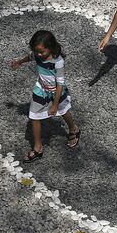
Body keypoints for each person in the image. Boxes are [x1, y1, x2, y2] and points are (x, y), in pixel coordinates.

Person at [11, 30, 80, 162]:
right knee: (34, 117)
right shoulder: (37, 55)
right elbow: (30, 56)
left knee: (63, 111)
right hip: (41, 90)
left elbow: (60, 84)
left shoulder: (58, 61)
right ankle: (38, 148)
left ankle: (73, 128)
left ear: (51, 47)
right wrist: (19, 62)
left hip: (57, 93)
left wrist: (54, 104)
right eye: (37, 52)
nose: (39, 55)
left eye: (42, 52)